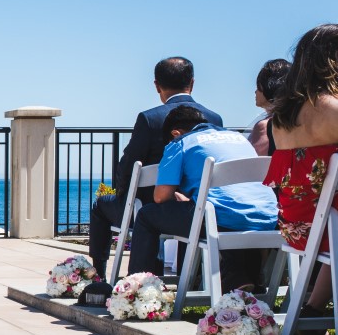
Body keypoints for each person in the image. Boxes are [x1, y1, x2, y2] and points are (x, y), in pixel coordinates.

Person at [88, 57, 224, 276]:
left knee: (100, 205)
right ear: (192, 82)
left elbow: (129, 166)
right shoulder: (214, 119)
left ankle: (99, 274)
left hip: (146, 205)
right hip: (194, 206)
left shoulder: (149, 119)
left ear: (156, 85)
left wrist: (124, 194)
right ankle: (189, 277)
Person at [127, 105, 278, 290]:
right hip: (269, 216)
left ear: (175, 133)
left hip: (220, 220)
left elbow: (160, 196)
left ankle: (138, 288)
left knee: (146, 215)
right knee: (223, 210)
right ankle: (241, 278)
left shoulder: (181, 142)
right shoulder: (238, 138)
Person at [264, 25, 338, 315]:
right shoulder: (331, 109)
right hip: (327, 227)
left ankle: (314, 308)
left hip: (298, 225)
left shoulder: (282, 116)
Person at [247, 58, 291, 156]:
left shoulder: (264, 126)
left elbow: (254, 164)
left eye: (259, 86)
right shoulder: (294, 121)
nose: (255, 91)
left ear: (269, 86)